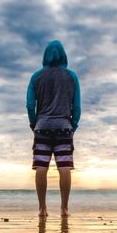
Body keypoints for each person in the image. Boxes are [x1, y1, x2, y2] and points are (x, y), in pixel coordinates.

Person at [26, 40, 81, 218]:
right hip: (64, 127)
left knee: (41, 167)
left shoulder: (36, 77)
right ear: (63, 54)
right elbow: (77, 106)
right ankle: (64, 209)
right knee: (64, 167)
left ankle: (42, 209)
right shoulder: (72, 76)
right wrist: (73, 125)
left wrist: (34, 123)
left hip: (42, 127)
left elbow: (30, 105)